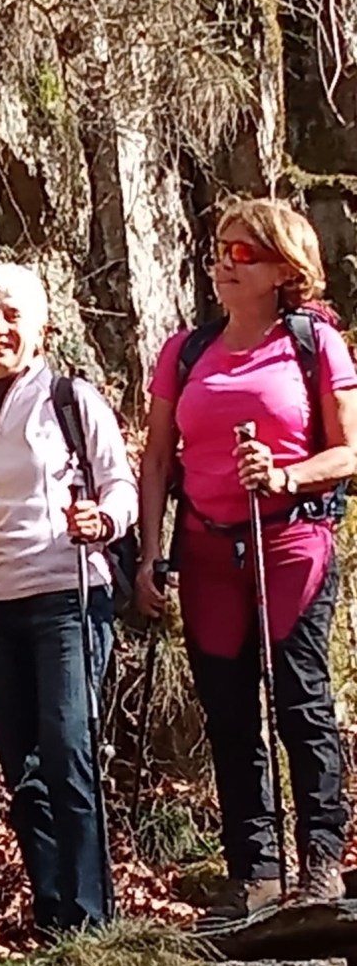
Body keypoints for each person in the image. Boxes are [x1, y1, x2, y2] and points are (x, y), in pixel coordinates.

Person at [136, 198, 357, 919]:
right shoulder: (185, 351)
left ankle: (320, 863)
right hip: (206, 551)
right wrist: (149, 554)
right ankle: (253, 872)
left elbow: (349, 451)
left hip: (291, 543)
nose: (223, 265)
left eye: (242, 254)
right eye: (219, 250)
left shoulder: (315, 344)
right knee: (229, 714)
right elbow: (157, 461)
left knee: (301, 704)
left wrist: (286, 476)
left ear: (283, 269)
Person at [0, 263, 137, 932]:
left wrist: (103, 519)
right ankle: (53, 917)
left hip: (68, 596)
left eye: (12, 316)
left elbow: (121, 487)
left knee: (67, 751)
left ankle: (94, 919)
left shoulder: (72, 401)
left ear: (40, 329)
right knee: (23, 767)